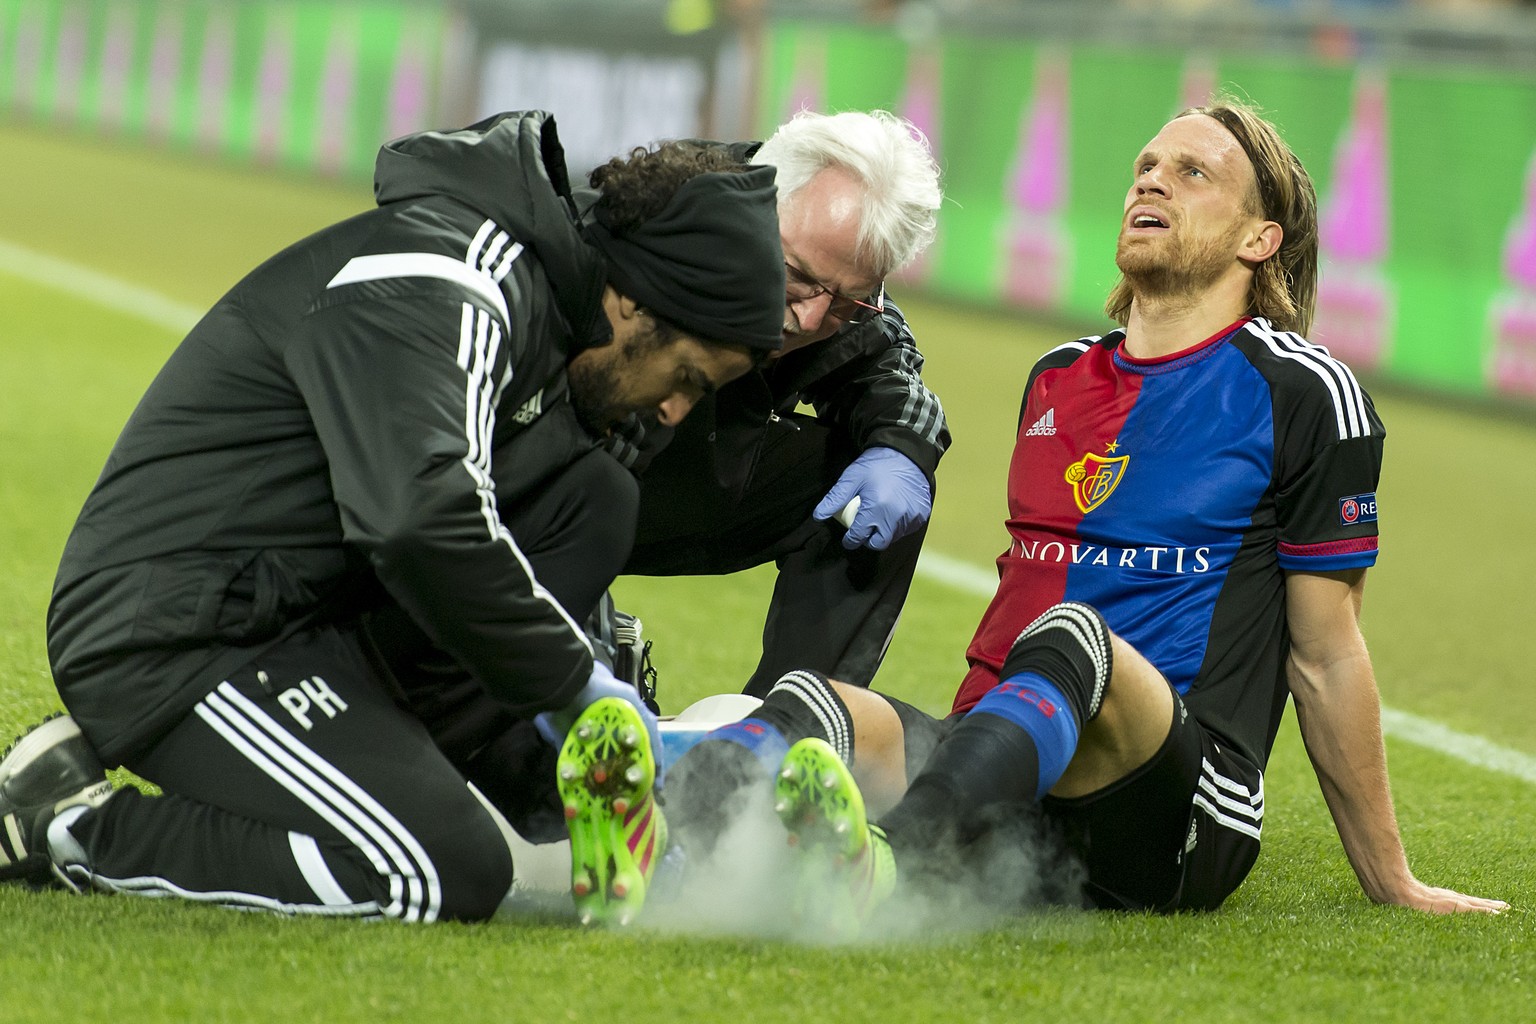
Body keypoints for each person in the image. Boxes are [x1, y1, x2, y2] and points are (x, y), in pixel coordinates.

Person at [676, 97, 1511, 932]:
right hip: (998, 771)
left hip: (1173, 808)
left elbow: (1326, 655)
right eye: (1147, 166)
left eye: (1193, 173)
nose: (1153, 180)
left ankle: (895, 860)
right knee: (811, 705)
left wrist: (1389, 876)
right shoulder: (1056, 377)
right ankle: (659, 830)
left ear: (1260, 239)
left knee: (1073, 633)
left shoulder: (1302, 390)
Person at [0, 110, 786, 925]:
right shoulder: (453, 276)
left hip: (304, 619)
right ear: (630, 303)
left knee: (592, 497)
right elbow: (422, 518)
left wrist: (600, 755)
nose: (672, 410)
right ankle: (66, 824)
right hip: (179, 627)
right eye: (687, 378)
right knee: (438, 871)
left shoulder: (552, 322)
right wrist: (579, 688)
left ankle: (452, 774)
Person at [612, 109, 948, 698]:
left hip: (688, 480)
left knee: (878, 481)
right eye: (796, 276)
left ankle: (787, 732)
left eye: (848, 299)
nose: (812, 317)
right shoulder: (655, 216)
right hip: (557, 485)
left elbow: (884, 359)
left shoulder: (831, 277)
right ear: (761, 205)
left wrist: (904, 446)